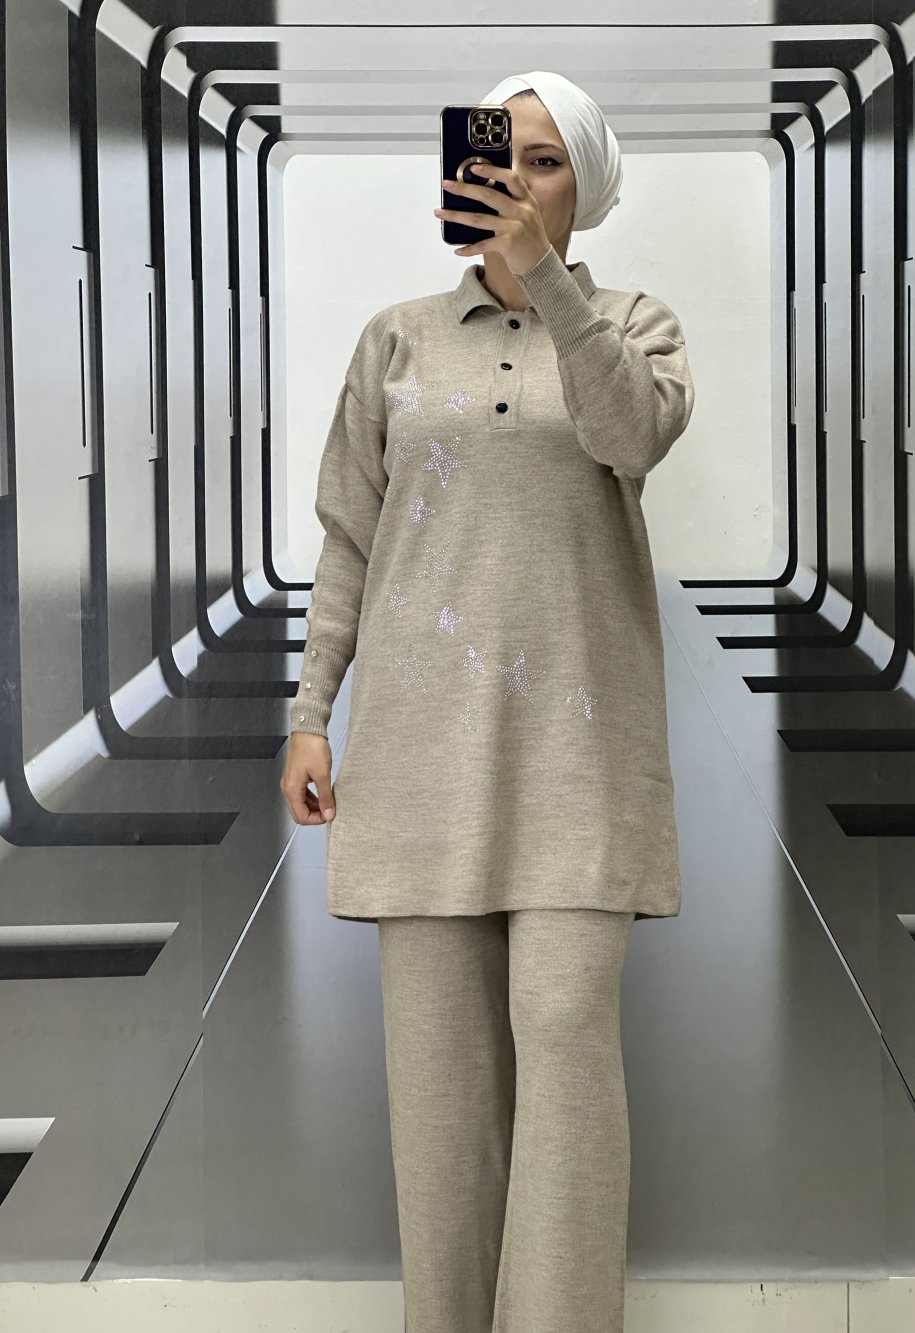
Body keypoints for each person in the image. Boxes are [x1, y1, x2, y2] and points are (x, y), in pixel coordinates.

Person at [280, 70, 695, 1333]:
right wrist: (310, 711)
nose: (514, 177)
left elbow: (631, 437)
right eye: (495, 152)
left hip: (580, 759)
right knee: (442, 1098)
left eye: (544, 160)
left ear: (586, 186)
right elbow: (349, 537)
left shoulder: (633, 324)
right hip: (417, 756)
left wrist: (549, 282)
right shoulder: (395, 338)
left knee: (564, 1051)